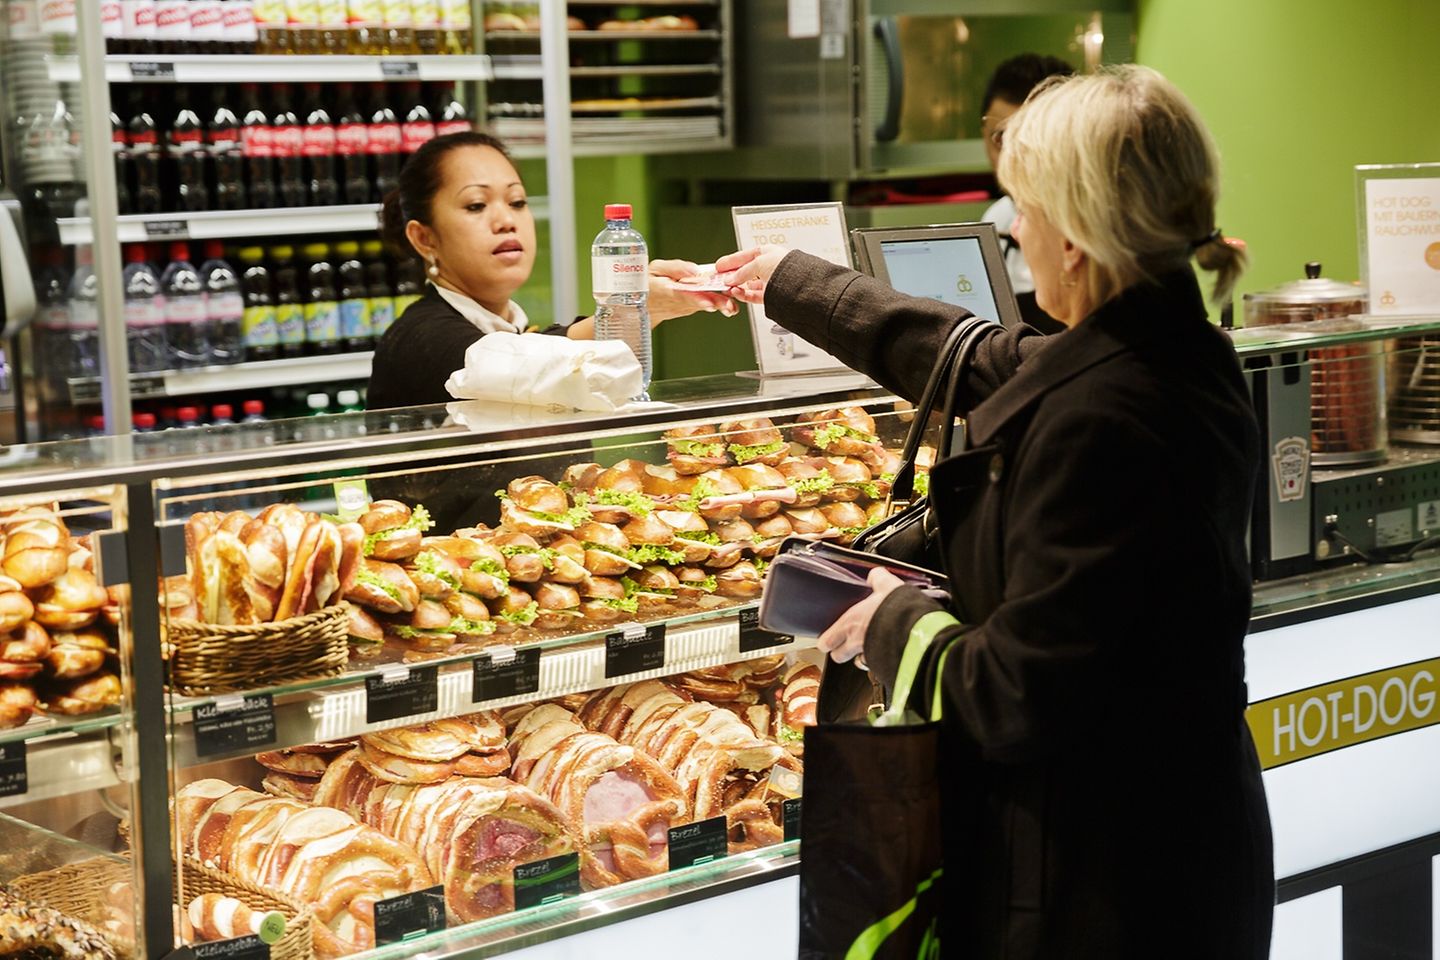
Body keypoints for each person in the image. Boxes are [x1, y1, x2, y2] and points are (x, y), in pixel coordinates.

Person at [715, 65, 1273, 958]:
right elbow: (976, 358)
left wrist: (892, 618)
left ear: (1077, 240)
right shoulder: (1168, 347)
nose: (1014, 228)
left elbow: (1019, 694)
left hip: (1101, 890)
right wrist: (796, 283)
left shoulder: (1110, 416)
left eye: (1024, 206)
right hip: (1174, 848)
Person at [368, 130, 733, 410]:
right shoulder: (419, 338)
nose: (506, 220)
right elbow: (511, 363)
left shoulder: (518, 329)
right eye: (477, 205)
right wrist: (629, 308)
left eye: (517, 201)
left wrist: (639, 308)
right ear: (424, 237)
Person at [979, 53, 1074, 334]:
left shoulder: (1095, 229)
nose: (1011, 159)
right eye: (1000, 139)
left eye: (1027, 142)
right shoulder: (998, 217)